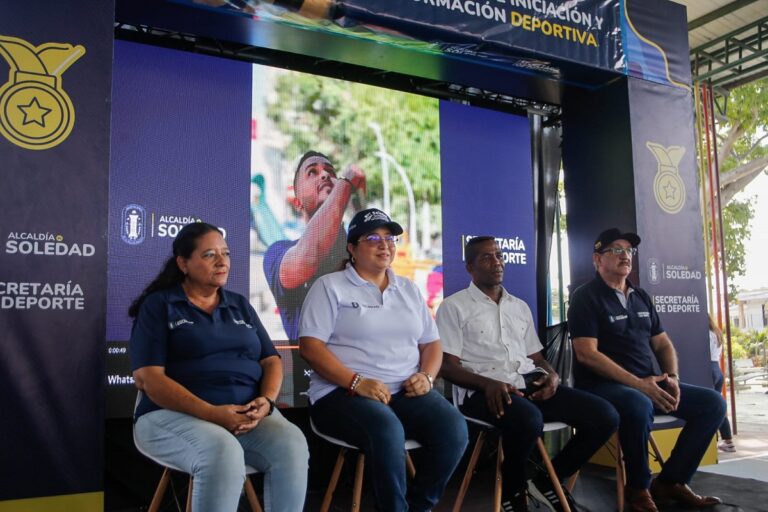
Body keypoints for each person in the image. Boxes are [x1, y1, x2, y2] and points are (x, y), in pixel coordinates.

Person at [129, 222, 309, 512]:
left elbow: (270, 359)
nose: (222, 261)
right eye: (209, 254)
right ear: (183, 263)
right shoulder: (159, 305)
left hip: (244, 415)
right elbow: (149, 378)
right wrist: (212, 414)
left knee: (292, 444)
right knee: (222, 450)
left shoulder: (238, 304)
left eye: (225, 253)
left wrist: (266, 401)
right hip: (172, 416)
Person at [298, 208, 468, 512]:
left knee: (453, 430)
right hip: (342, 393)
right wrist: (356, 382)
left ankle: (417, 507)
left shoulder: (408, 289)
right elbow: (311, 347)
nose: (384, 244)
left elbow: (431, 343)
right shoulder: (329, 287)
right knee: (387, 429)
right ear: (351, 248)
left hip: (403, 390)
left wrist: (427, 377)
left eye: (390, 238)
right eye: (372, 237)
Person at [437, 236, 619, 512]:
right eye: (487, 257)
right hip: (480, 393)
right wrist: (490, 384)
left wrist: (552, 376)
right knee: (528, 419)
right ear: (470, 268)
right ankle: (514, 490)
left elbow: (536, 358)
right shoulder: (454, 307)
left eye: (499, 255)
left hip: (524, 383)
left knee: (605, 416)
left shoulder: (518, 306)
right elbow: (447, 367)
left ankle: (550, 478)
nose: (497, 262)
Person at [568, 228, 726, 512]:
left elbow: (663, 344)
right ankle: (638, 488)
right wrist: (640, 385)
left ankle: (672, 482)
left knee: (712, 403)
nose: (625, 256)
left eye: (629, 251)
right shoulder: (585, 297)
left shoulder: (640, 295)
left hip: (647, 383)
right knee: (638, 403)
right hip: (601, 387)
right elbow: (587, 355)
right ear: (597, 259)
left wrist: (673, 378)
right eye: (616, 250)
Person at [264, 150, 366, 341]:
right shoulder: (278, 252)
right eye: (312, 172)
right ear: (297, 203)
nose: (325, 175)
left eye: (330, 172)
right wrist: (345, 183)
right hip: (315, 369)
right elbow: (308, 258)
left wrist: (359, 205)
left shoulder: (357, 246)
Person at [709, 314, 736, 452]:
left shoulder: (705, 333)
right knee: (718, 405)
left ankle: (726, 440)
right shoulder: (717, 333)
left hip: (709, 369)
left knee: (712, 406)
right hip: (717, 369)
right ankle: (728, 439)